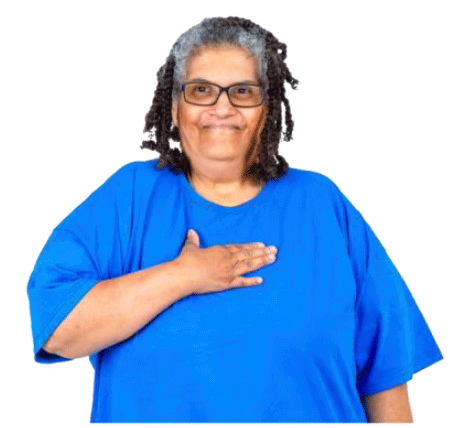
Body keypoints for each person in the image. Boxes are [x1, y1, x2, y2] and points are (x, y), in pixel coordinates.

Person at [27, 16, 443, 423]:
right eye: (201, 90)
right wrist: (183, 276)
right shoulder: (131, 198)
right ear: (175, 108)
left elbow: (385, 376)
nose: (222, 107)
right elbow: (58, 330)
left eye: (242, 91)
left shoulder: (322, 205)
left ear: (266, 108)